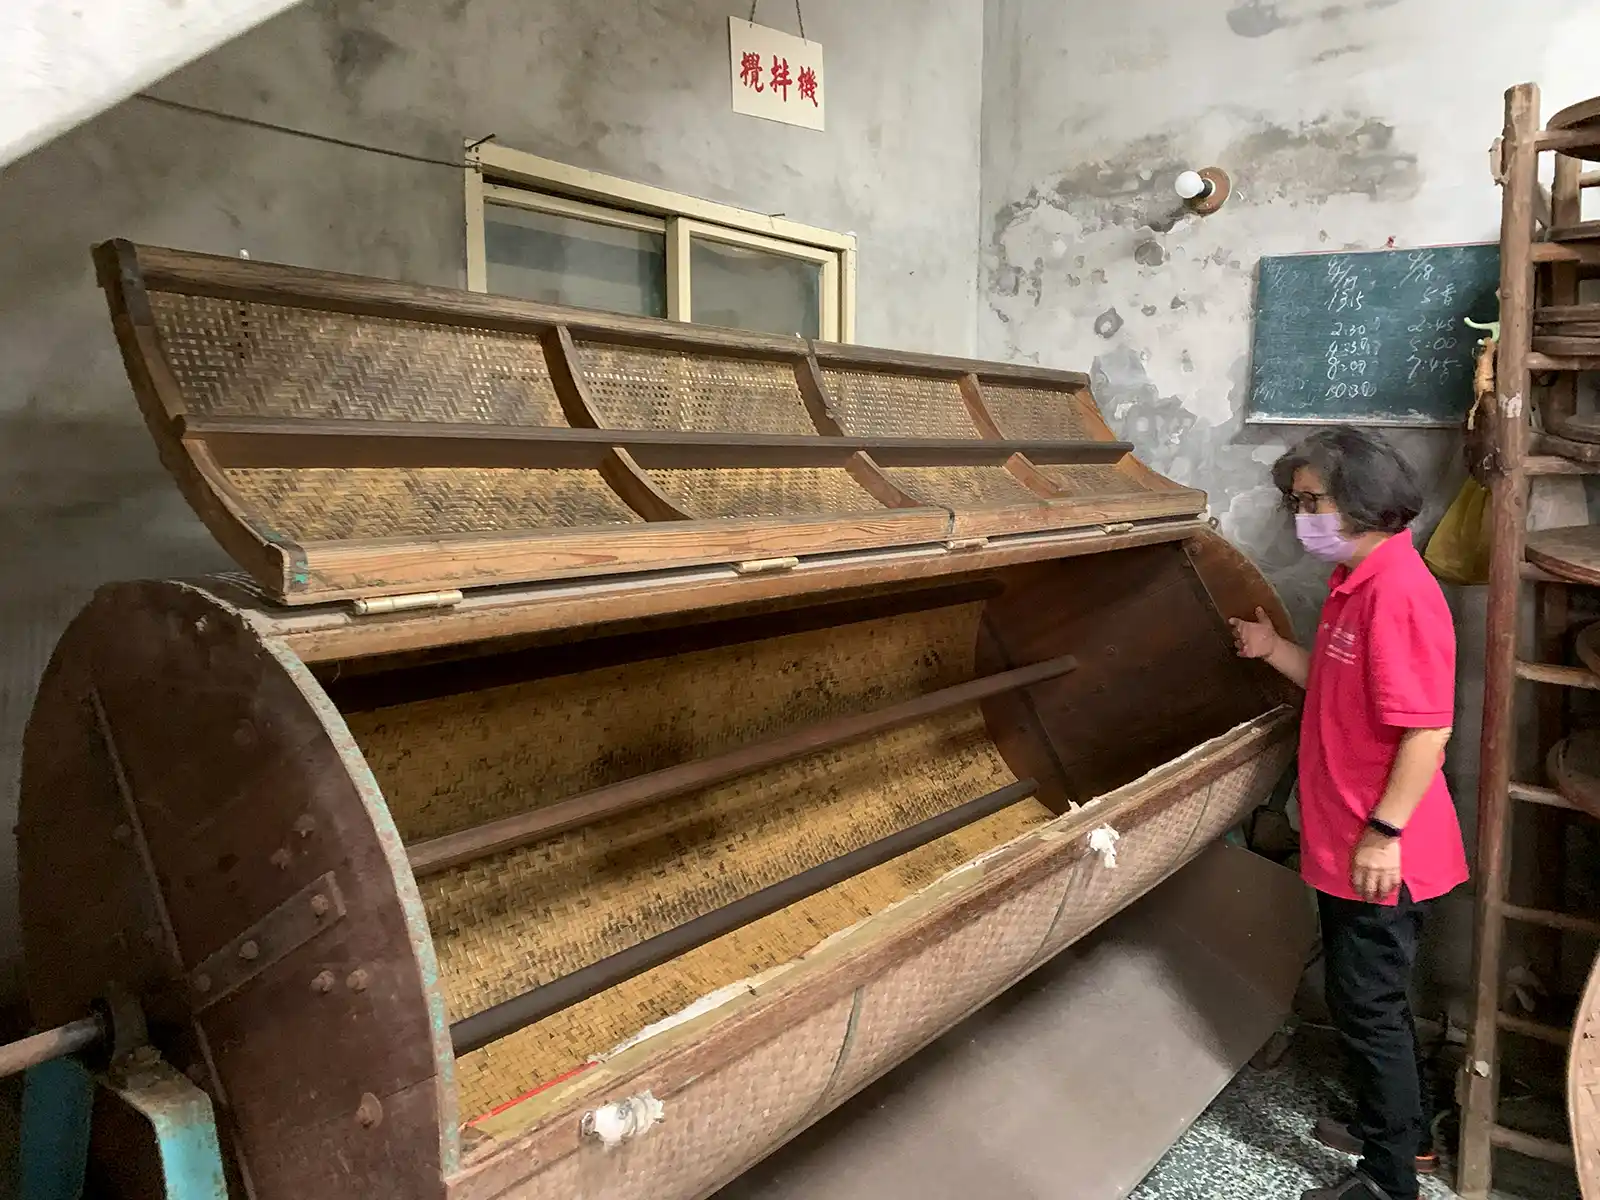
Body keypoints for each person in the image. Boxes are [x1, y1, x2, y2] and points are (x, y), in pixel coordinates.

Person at [1229, 426, 1468, 1200]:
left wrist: (1384, 833)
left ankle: (1389, 1179)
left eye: (1312, 501)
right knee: (1372, 1002)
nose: (1300, 517)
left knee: (1367, 1009)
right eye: (1295, 502)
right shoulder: (1353, 582)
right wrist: (1271, 648)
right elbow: (1338, 690)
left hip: (1384, 850)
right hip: (1351, 839)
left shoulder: (1398, 592)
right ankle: (1399, 1132)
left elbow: (1427, 729)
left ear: (1364, 498)